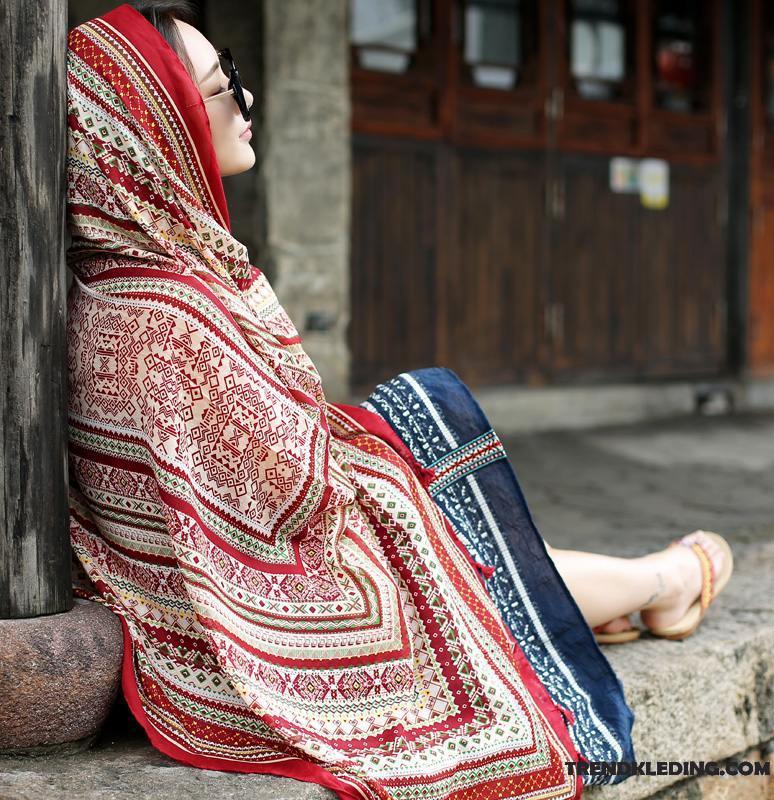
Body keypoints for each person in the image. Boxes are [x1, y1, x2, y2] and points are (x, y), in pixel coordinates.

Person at [65, 3, 733, 799]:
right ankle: (665, 581)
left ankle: (645, 585)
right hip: (280, 611)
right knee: (444, 517)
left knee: (431, 499)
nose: (248, 103)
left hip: (217, 582)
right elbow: (302, 498)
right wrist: (378, 453)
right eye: (221, 87)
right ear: (158, 124)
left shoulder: (115, 282)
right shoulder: (172, 312)